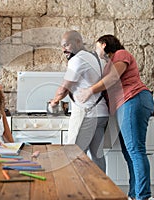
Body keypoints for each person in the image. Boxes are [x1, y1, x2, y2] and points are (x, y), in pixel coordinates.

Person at [77, 35, 154, 200]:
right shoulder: (108, 65)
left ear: (104, 44)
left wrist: (90, 90)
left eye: (97, 46)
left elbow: (112, 79)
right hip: (125, 105)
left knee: (135, 150)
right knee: (129, 153)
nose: (95, 49)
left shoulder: (120, 54)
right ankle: (134, 195)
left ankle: (143, 196)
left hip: (133, 99)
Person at [50, 30, 109, 172]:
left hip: (87, 114)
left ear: (78, 42)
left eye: (67, 45)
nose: (64, 49)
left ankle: (75, 190)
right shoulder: (98, 58)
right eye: (62, 46)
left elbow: (64, 87)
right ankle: (101, 190)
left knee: (74, 154)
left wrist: (54, 102)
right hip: (101, 113)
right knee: (97, 156)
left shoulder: (77, 60)